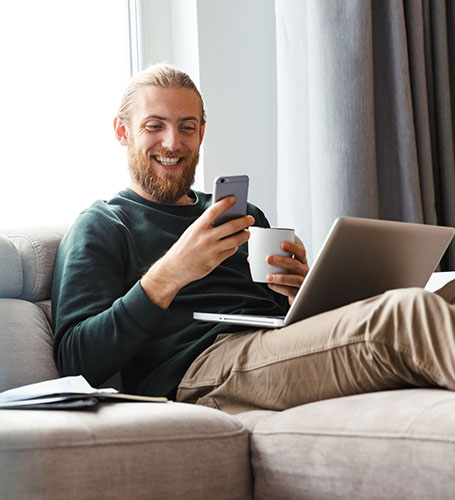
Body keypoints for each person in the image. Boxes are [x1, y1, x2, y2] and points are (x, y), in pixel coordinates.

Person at [52, 63, 455, 414]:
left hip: (272, 346)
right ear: (123, 132)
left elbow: (282, 321)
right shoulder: (103, 224)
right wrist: (170, 274)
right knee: (407, 313)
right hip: (200, 369)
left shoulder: (241, 215)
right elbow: (76, 359)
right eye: (154, 126)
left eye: (186, 127)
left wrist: (302, 292)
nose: (173, 143)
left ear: (202, 133)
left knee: (446, 293)